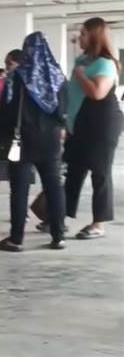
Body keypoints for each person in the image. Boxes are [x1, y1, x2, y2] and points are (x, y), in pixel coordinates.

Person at [0, 32, 67, 252]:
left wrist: (1, 139)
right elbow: (64, 111)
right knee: (54, 187)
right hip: (50, 141)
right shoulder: (57, 77)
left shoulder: (16, 77)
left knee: (19, 190)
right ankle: (58, 236)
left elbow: (6, 111)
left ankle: (16, 239)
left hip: (22, 141)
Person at [63, 17, 123, 239]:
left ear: (95, 36)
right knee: (74, 170)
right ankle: (59, 217)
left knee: (100, 172)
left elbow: (97, 93)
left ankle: (99, 224)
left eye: (83, 34)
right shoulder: (83, 60)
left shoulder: (106, 64)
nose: (80, 38)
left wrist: (79, 75)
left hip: (101, 123)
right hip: (80, 122)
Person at [0, 49, 28, 204]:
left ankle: (20, 207)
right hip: (6, 133)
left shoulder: (28, 84)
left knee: (19, 174)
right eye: (5, 64)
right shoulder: (3, 83)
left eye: (9, 64)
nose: (6, 68)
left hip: (22, 134)